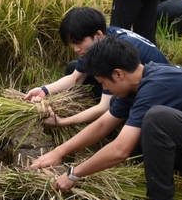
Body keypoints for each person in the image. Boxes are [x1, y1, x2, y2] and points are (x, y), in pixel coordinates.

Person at [31, 36, 182, 200]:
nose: (104, 89)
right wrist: (59, 152)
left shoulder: (156, 86)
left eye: (102, 82)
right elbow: (103, 124)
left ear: (118, 74)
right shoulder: (139, 81)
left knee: (157, 120)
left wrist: (73, 174)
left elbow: (120, 151)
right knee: (144, 134)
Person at [25, 7, 168, 127]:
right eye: (72, 44)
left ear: (98, 35)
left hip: (157, 97)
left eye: (78, 43)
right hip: (137, 83)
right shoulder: (105, 37)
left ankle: (115, 125)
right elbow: (76, 78)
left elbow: (104, 106)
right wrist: (45, 90)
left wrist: (62, 121)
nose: (75, 49)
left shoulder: (112, 53)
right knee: (73, 67)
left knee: (111, 103)